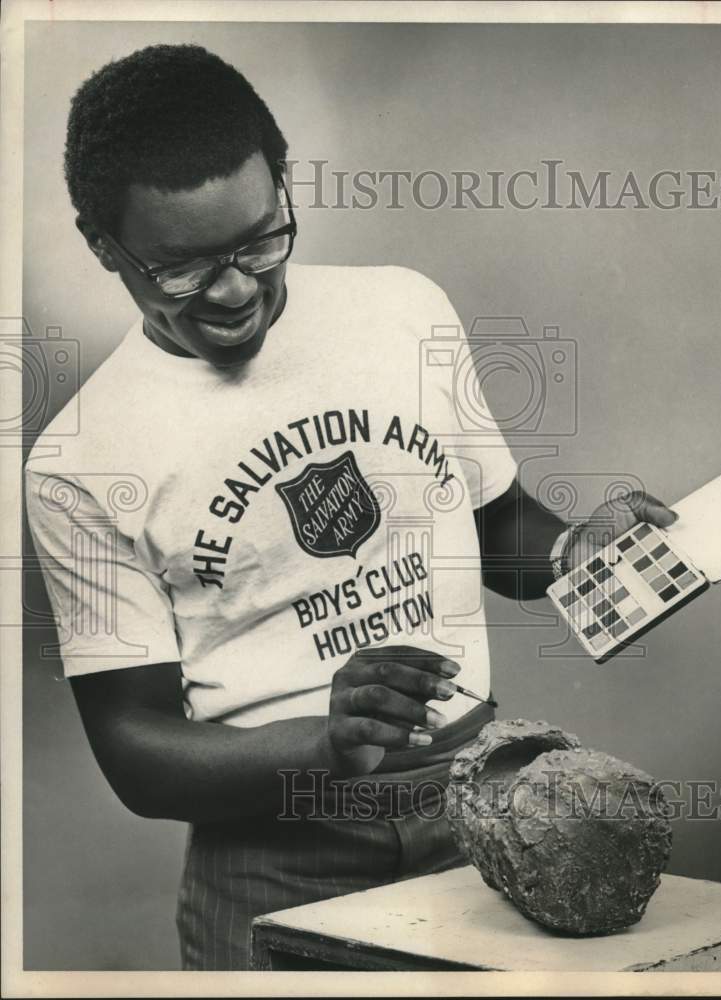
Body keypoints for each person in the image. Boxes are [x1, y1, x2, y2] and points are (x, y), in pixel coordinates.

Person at [24, 44, 678, 971]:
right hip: (273, 858)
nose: (237, 290)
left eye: (260, 240)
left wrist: (581, 548)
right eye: (183, 268)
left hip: (483, 813)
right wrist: (324, 742)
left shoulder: (402, 313)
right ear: (101, 244)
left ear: (284, 183)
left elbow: (495, 531)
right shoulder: (77, 463)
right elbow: (135, 749)